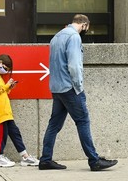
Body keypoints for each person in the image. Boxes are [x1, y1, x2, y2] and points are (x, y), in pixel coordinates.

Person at [39, 14, 118, 171]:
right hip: (70, 88)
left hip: (56, 88)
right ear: (84, 25)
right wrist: (79, 87)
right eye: (87, 29)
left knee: (54, 124)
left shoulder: (57, 36)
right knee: (83, 121)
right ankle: (94, 160)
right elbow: (74, 66)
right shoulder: (74, 37)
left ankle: (45, 160)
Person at [0, 54, 39, 168]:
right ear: (0, 62)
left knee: (14, 132)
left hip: (5, 109)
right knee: (2, 133)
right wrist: (6, 86)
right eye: (6, 69)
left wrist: (9, 87)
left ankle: (25, 157)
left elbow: (1, 92)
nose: (6, 72)